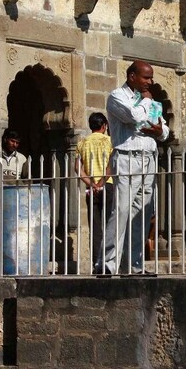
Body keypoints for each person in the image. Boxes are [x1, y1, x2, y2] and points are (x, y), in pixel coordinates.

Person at [97, 61, 170, 275]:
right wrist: (147, 102)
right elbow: (134, 116)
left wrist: (158, 131)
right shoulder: (117, 96)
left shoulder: (150, 100)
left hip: (149, 157)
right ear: (132, 76)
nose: (150, 82)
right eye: (146, 77)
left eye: (151, 77)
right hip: (128, 157)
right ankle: (107, 264)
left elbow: (164, 130)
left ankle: (134, 265)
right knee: (121, 210)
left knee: (143, 212)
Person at [75, 112, 113, 272]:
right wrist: (101, 182)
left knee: (95, 227)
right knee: (111, 225)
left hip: (91, 189)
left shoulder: (82, 143)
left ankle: (97, 264)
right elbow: (111, 165)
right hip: (108, 186)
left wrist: (92, 184)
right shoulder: (110, 141)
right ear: (104, 126)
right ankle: (110, 262)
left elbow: (78, 168)